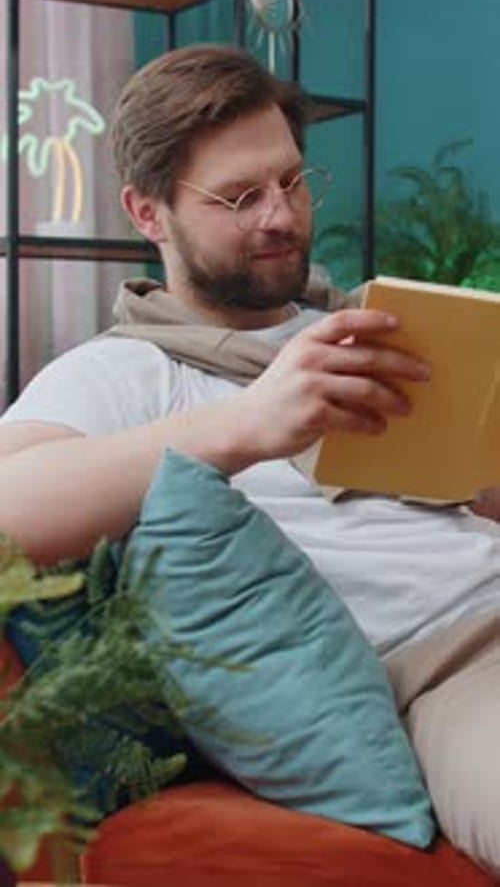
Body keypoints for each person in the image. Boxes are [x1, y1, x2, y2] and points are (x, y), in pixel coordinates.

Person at [0, 44, 499, 875]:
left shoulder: (371, 328)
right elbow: (7, 508)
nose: (281, 215)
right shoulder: (121, 374)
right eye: (239, 196)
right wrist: (251, 422)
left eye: (292, 182)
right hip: (450, 665)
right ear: (148, 212)